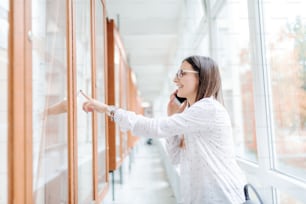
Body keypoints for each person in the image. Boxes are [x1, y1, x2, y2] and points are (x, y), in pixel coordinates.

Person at [82, 55, 246, 204]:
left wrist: (106, 109)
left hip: (221, 197)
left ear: (200, 76)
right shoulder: (191, 114)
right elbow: (175, 157)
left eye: (182, 73)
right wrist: (171, 116)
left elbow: (155, 128)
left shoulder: (208, 108)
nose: (175, 79)